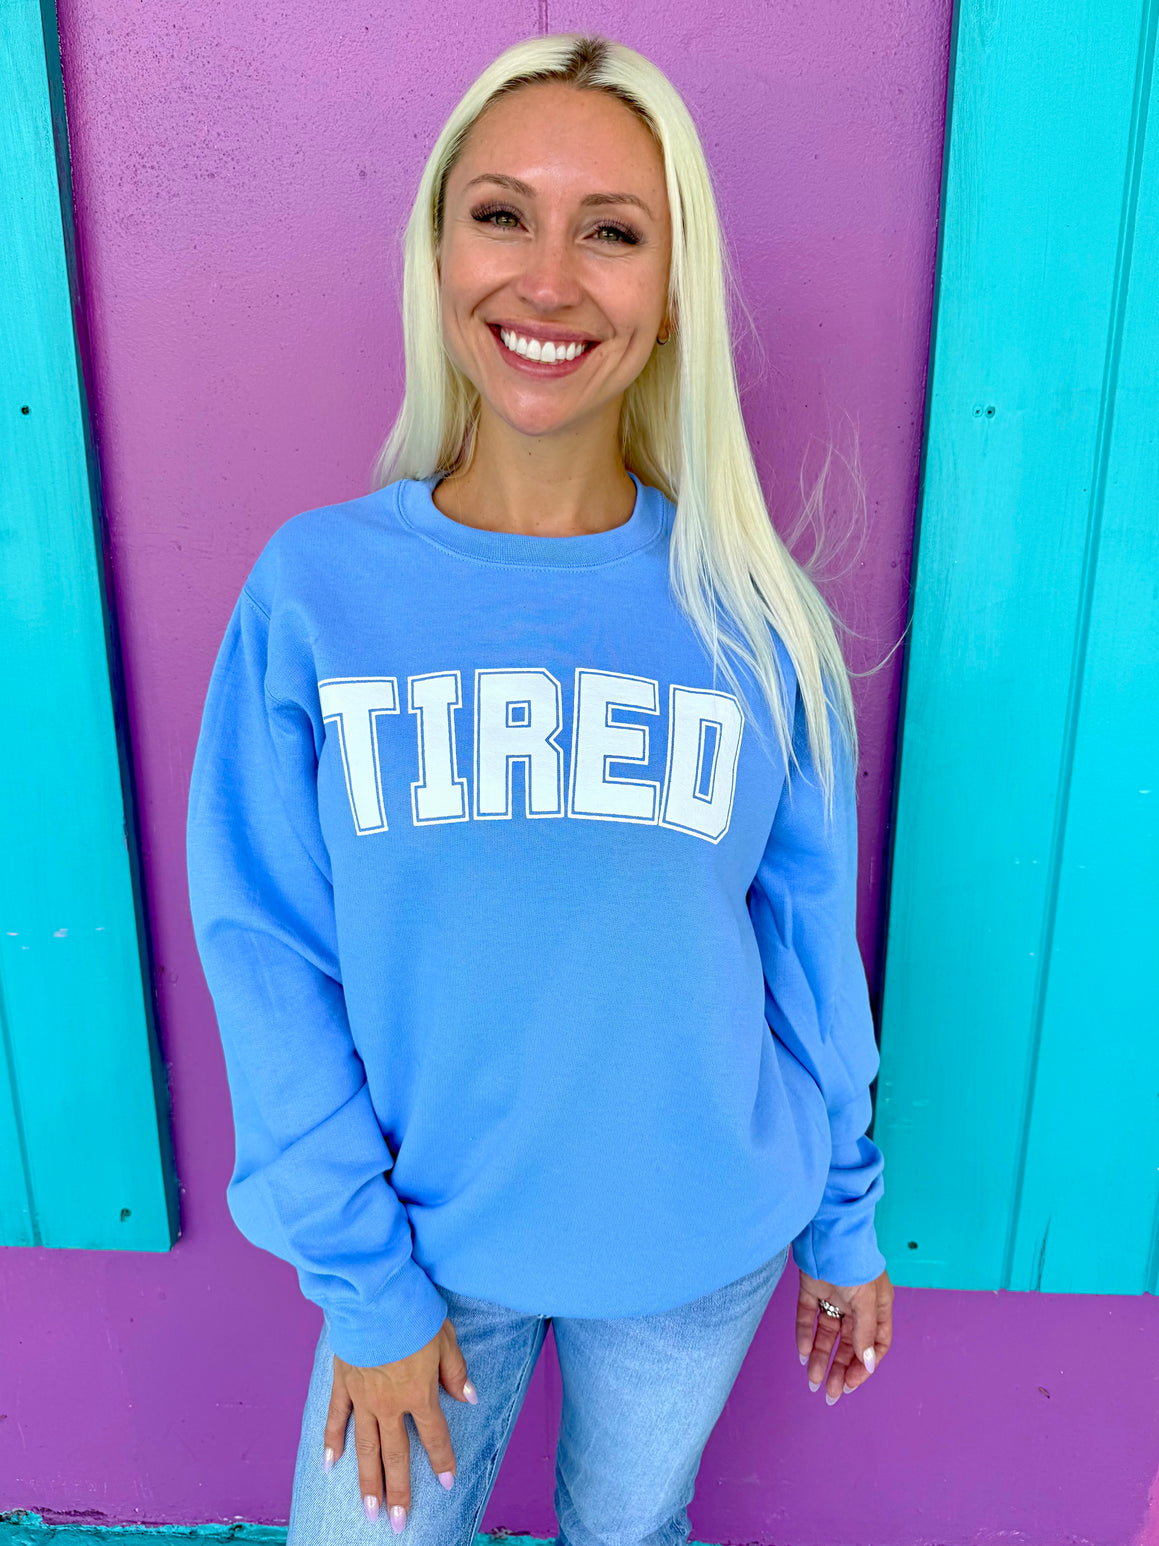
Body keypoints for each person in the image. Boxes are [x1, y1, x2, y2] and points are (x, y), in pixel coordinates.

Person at [186, 30, 895, 1546]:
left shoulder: (750, 613)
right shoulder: (317, 595)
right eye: (504, 214)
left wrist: (846, 1217)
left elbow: (805, 949)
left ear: (674, 286)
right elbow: (267, 955)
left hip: (702, 1244)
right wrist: (367, 1287)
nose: (550, 279)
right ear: (439, 249)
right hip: (424, 1251)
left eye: (613, 231)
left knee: (628, 1533)